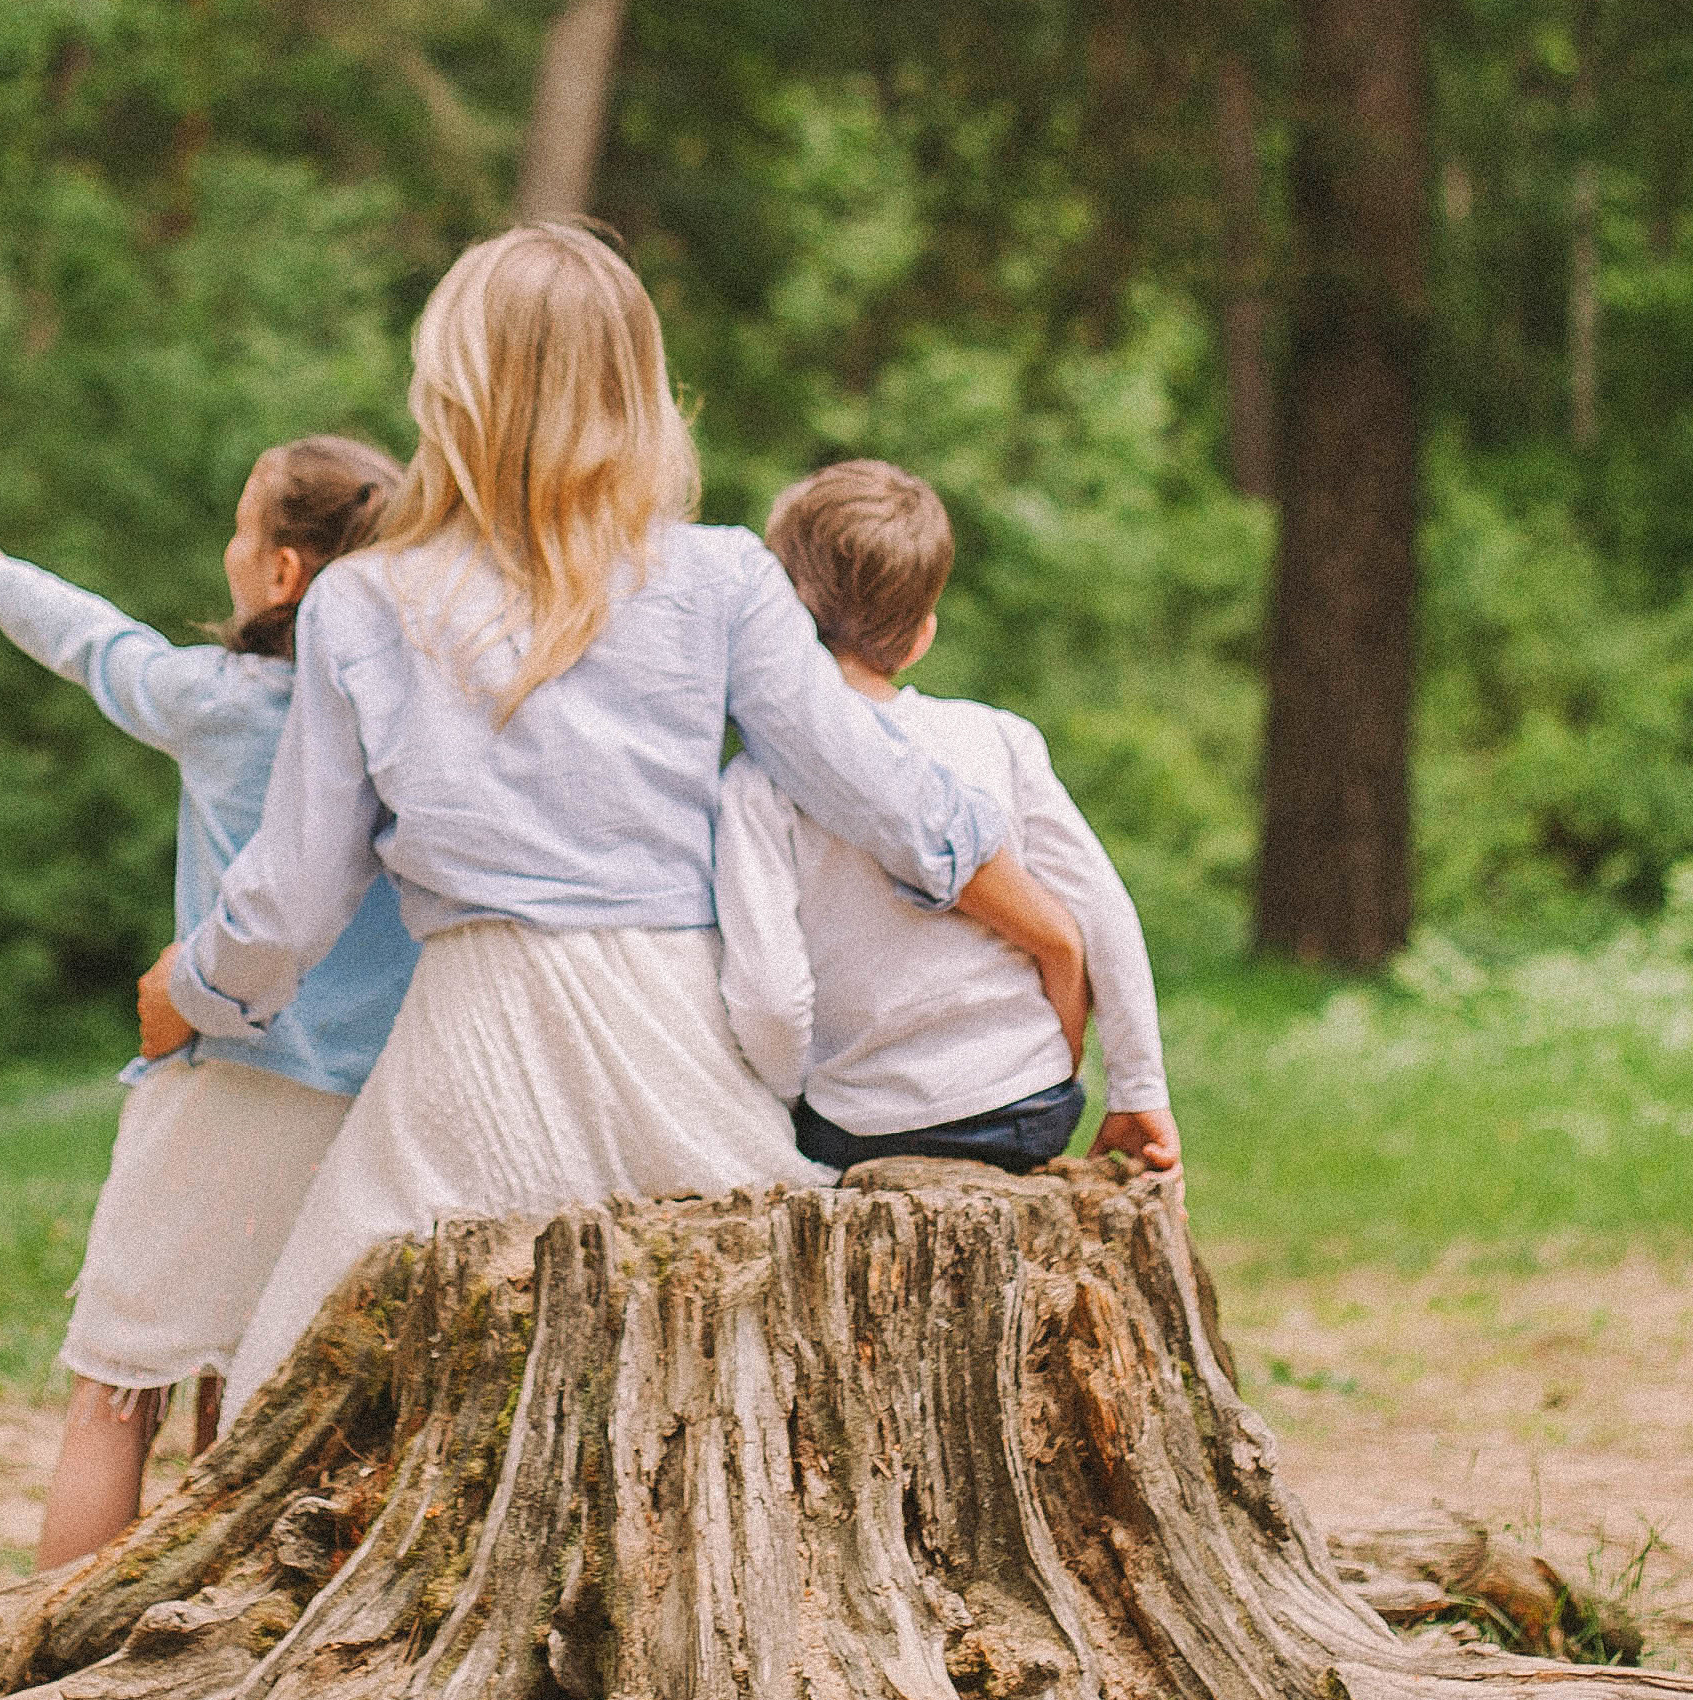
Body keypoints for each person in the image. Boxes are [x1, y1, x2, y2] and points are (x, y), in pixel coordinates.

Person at [130, 226, 1089, 1413]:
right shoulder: (721, 575)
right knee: (737, 1375)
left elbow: (292, 897)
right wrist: (1052, 930)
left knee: (315, 1390)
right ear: (638, 389)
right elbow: (882, 794)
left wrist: (197, 990)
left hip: (468, 1049)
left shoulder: (365, 599)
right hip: (676, 1036)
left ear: (453, 387)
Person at [0, 439, 415, 1561]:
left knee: (119, 1386)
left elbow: (101, 646)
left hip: (223, 1083)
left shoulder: (223, 704)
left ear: (282, 573)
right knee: (254, 1419)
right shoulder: (414, 729)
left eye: (245, 529)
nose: (231, 548)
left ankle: (47, 1661)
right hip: (363, 1114)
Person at [716, 458, 1180, 1187]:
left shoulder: (756, 783)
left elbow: (770, 994)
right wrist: (1138, 1089)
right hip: (1023, 1104)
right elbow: (1103, 912)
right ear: (920, 634)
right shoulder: (996, 739)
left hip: (856, 1129)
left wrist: (786, 1097)